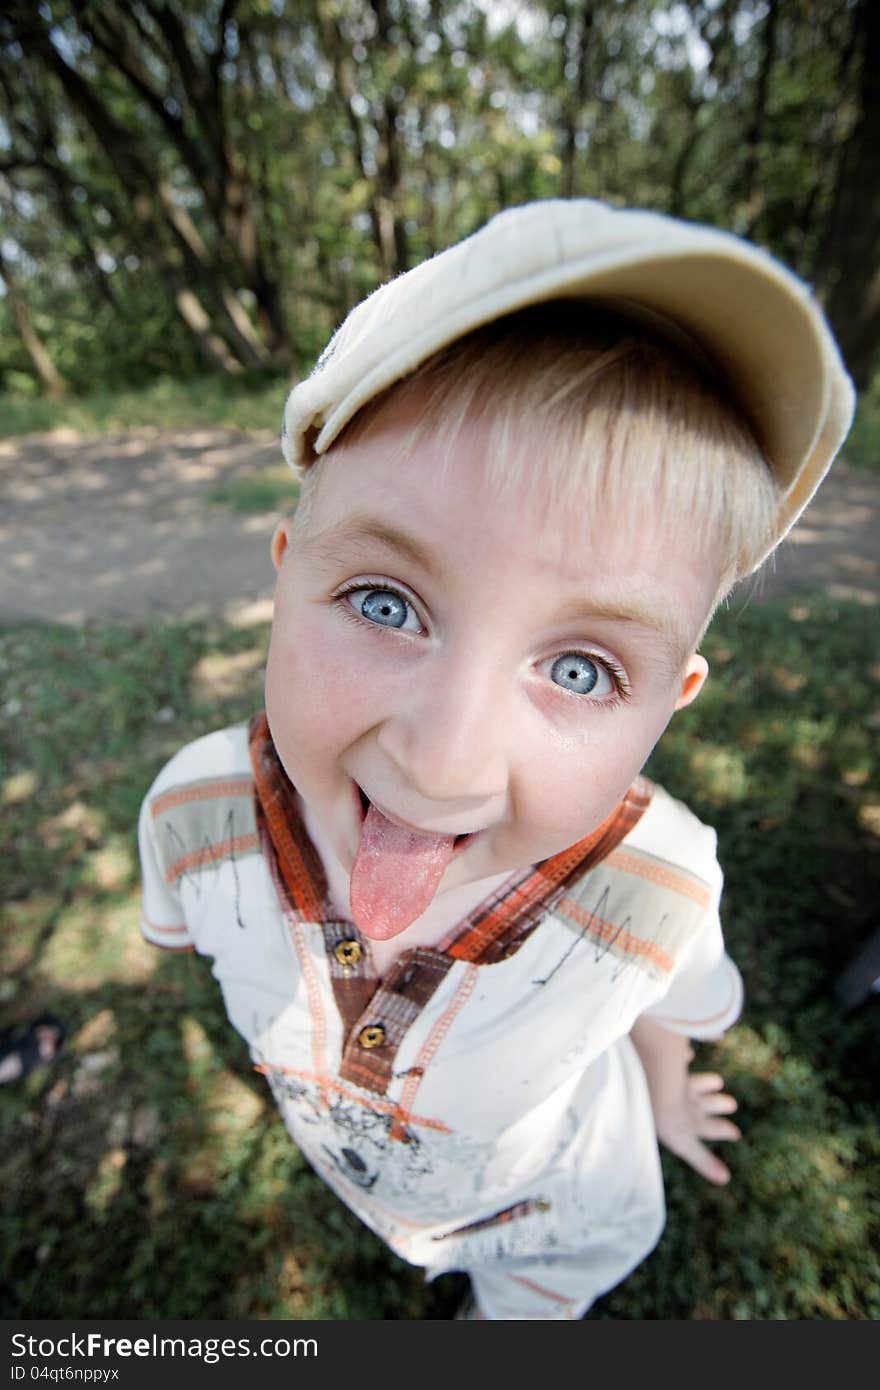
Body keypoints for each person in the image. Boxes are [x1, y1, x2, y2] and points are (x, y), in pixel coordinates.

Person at [137, 199, 854, 1320]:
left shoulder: (656, 889)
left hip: (559, 1221)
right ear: (283, 579)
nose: (445, 755)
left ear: (669, 707)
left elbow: (661, 1005)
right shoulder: (192, 819)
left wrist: (664, 1095)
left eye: (579, 670)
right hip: (380, 1195)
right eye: (385, 601)